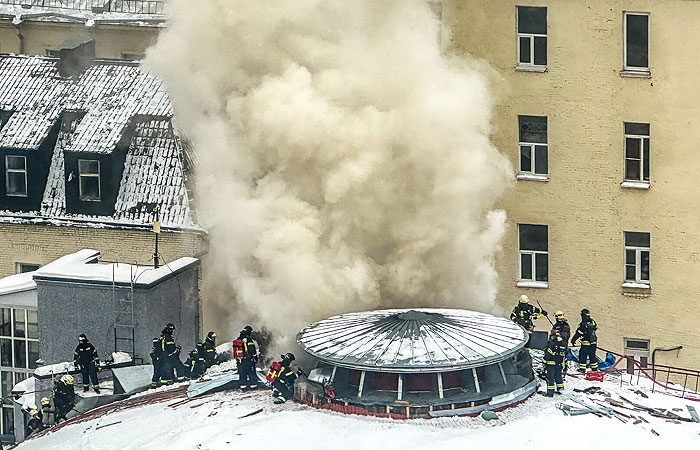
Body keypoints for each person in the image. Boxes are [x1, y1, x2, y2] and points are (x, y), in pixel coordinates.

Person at [571, 308, 599, 373]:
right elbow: (595, 327)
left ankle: (582, 369)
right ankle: (594, 369)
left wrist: (573, 340)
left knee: (583, 356)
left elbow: (578, 333)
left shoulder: (583, 324)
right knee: (592, 356)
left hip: (586, 343)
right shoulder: (592, 321)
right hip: (593, 343)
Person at [542, 328, 566, 397]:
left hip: (551, 364)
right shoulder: (563, 344)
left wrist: (544, 362)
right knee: (558, 377)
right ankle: (561, 390)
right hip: (559, 364)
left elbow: (548, 354)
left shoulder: (551, 344)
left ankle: (550, 393)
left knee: (550, 378)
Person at [237, 326, 259, 390]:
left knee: (242, 373)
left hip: (240, 359)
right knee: (251, 372)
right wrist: (254, 356)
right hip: (248, 359)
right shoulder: (248, 339)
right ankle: (253, 385)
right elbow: (252, 349)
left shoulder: (238, 339)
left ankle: (243, 386)